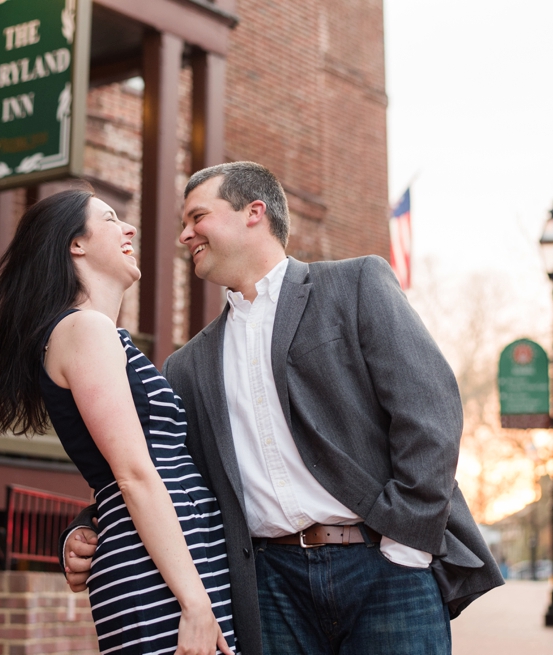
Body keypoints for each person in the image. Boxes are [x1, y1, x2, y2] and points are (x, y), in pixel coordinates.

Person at [61, 162, 504, 654]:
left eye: (197, 217)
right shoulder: (187, 366)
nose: (185, 235)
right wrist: (88, 525)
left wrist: (406, 544)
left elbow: (430, 411)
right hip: (268, 587)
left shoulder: (355, 285)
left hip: (385, 568)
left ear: (254, 212)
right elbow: (162, 465)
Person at [0, 188, 236, 655]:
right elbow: (132, 474)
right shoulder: (84, 329)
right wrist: (194, 602)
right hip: (164, 580)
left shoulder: (99, 334)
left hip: (178, 564)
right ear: (76, 244)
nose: (128, 228)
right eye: (111, 219)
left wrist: (82, 525)